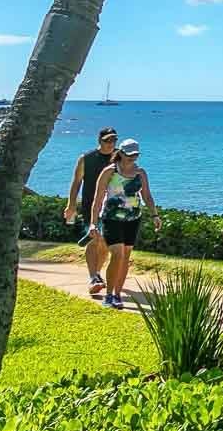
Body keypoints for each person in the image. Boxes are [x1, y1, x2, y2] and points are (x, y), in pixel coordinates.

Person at [90, 138, 160, 309]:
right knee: (117, 254)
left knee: (125, 258)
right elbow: (98, 198)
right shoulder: (109, 172)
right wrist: (93, 223)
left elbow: (147, 196)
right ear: (120, 153)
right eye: (129, 155)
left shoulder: (140, 172)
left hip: (133, 219)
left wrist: (155, 215)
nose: (132, 158)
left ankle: (117, 294)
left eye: (135, 155)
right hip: (112, 218)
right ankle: (108, 295)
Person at [63, 126, 118, 295]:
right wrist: (71, 205)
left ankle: (97, 274)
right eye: (107, 140)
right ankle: (93, 277)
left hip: (112, 207)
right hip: (90, 205)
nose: (110, 143)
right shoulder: (86, 158)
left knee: (105, 244)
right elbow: (76, 182)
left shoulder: (119, 158)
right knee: (95, 239)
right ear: (99, 141)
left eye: (113, 140)